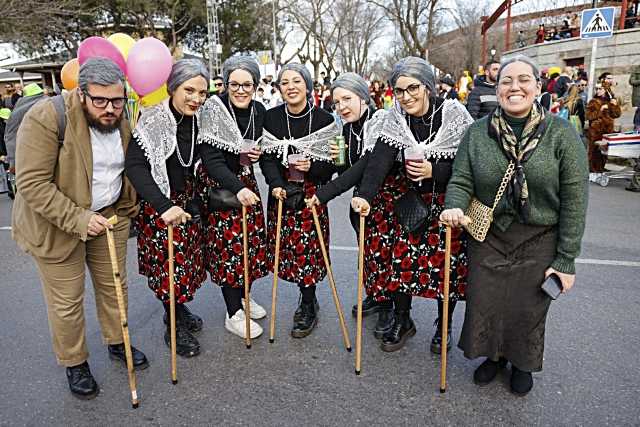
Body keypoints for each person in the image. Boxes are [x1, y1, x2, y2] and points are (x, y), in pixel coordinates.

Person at [440, 55, 588, 396]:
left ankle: (521, 362)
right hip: (490, 234)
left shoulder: (561, 135)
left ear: (538, 87)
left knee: (527, 306)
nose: (514, 87)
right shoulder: (477, 133)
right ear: (497, 88)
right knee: (485, 300)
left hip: (540, 235)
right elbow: (462, 179)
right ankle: (493, 357)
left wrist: (566, 259)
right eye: (506, 81)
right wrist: (453, 207)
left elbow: (575, 200)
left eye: (524, 80)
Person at [12, 57, 148, 399]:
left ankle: (118, 342)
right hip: (56, 226)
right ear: (81, 94)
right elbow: (32, 183)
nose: (109, 109)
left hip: (109, 217)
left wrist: (130, 206)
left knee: (115, 288)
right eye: (99, 101)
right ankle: (76, 362)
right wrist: (78, 219)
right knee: (67, 302)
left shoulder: (122, 116)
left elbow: (128, 166)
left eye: (117, 101)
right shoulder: (47, 117)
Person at [351, 57, 471, 354]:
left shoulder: (453, 114)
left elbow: (469, 165)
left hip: (448, 201)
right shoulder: (397, 118)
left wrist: (436, 171)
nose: (406, 96)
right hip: (411, 202)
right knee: (400, 261)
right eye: (400, 91)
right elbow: (378, 161)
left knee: (447, 270)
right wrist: (364, 196)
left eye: (413, 88)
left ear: (428, 87)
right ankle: (403, 319)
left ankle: (444, 327)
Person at [126, 59, 209, 358]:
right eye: (189, 90)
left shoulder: (198, 119)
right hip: (160, 206)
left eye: (202, 93)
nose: (196, 98)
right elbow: (134, 166)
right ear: (173, 87)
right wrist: (163, 205)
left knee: (186, 267)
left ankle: (177, 309)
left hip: (188, 203)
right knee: (169, 270)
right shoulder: (153, 119)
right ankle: (173, 326)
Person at [306, 73, 396, 339]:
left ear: (363, 97)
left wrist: (325, 193)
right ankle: (377, 296)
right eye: (336, 102)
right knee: (367, 254)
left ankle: (390, 305)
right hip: (360, 204)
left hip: (385, 202)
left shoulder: (380, 121)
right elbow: (346, 168)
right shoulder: (346, 129)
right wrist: (334, 163)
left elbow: (365, 166)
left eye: (347, 98)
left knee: (386, 256)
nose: (342, 106)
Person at [260, 63, 341, 338]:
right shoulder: (270, 118)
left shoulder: (326, 120)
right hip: (282, 192)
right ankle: (304, 297)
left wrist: (313, 167)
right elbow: (268, 158)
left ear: (307, 85)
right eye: (285, 82)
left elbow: (336, 163)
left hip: (312, 194)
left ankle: (308, 302)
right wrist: (275, 184)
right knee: (289, 252)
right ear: (279, 88)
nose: (291, 86)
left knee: (310, 252)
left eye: (297, 81)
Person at [196, 56, 270, 339]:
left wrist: (256, 155)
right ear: (225, 85)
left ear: (255, 86)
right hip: (222, 188)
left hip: (246, 183)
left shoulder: (259, 111)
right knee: (229, 251)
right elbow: (212, 159)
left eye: (247, 84)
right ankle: (232, 312)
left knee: (249, 247)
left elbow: (260, 146)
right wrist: (237, 187)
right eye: (234, 84)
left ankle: (243, 297)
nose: (240, 90)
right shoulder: (213, 110)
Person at [3, 83, 46, 169]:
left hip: (28, 156)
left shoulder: (18, 112)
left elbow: (10, 136)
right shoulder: (50, 103)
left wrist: (13, 162)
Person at [585, 83, 621, 173]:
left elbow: (616, 115)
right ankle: (592, 169)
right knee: (595, 151)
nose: (598, 91)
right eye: (596, 89)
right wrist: (600, 110)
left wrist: (614, 106)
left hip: (607, 131)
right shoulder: (593, 101)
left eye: (600, 88)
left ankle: (601, 168)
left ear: (605, 90)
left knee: (604, 152)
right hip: (596, 131)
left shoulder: (610, 101)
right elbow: (588, 116)